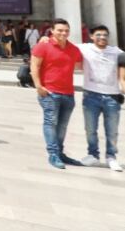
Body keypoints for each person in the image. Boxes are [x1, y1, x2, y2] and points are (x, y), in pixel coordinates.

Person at [30, 18, 83, 169]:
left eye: (66, 30)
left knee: (62, 126)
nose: (63, 33)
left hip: (68, 93)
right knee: (51, 123)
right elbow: (34, 66)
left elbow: (82, 64)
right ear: (52, 31)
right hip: (50, 93)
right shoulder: (43, 46)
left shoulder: (73, 49)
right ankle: (53, 154)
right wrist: (38, 86)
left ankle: (60, 152)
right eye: (60, 30)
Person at [78, 25, 122, 171]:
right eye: (98, 35)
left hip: (112, 97)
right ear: (91, 36)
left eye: (105, 35)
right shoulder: (85, 48)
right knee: (90, 128)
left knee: (112, 130)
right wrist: (46, 38)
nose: (102, 37)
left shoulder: (117, 52)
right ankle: (93, 154)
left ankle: (111, 156)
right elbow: (64, 44)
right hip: (91, 95)